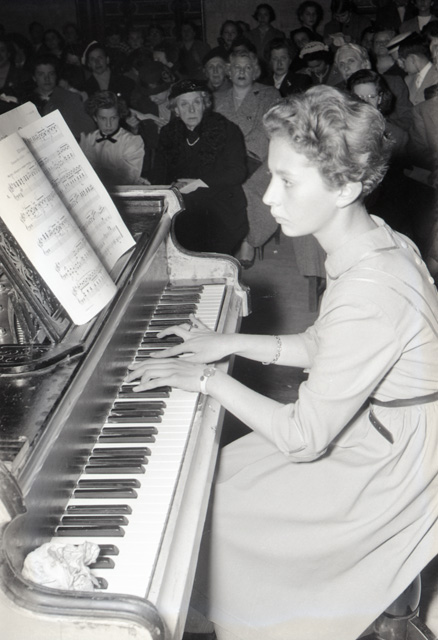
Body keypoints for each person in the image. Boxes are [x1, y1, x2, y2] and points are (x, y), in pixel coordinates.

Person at [126, 84, 438, 640]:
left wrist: (207, 380)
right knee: (220, 474)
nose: (268, 197)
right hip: (390, 424)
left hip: (399, 463)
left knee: (214, 512)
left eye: (287, 181)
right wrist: (229, 343)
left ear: (344, 188)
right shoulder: (373, 241)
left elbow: (303, 438)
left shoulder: (370, 288)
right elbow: (326, 344)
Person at [152, 79, 248, 256]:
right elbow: (159, 172)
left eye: (196, 102)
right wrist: (171, 186)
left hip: (219, 202)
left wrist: (199, 183)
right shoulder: (168, 133)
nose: (191, 110)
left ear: (205, 105)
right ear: (176, 109)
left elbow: (237, 172)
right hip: (180, 202)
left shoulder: (226, 129)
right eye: (184, 104)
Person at [214, 50, 280, 266]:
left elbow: (270, 130)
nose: (242, 72)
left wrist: (240, 152)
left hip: (259, 157)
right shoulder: (217, 98)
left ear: (255, 72)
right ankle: (221, 239)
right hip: (225, 157)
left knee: (245, 185)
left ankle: (248, 240)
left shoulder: (269, 94)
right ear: (229, 72)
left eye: (247, 67)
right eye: (237, 67)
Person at [80, 90, 146, 187]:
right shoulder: (88, 139)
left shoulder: (132, 141)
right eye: (103, 118)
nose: (108, 124)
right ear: (95, 118)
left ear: (119, 117)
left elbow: (129, 177)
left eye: (113, 118)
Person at [26, 53, 95, 139]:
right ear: (34, 77)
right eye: (41, 74)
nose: (47, 78)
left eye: (51, 74)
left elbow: (89, 128)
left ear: (56, 76)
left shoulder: (72, 98)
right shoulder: (26, 101)